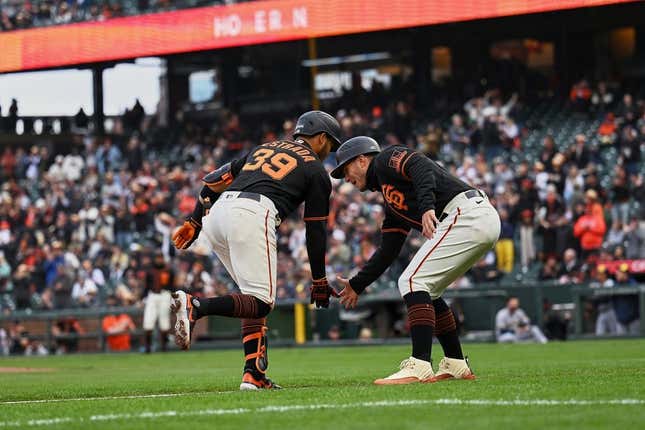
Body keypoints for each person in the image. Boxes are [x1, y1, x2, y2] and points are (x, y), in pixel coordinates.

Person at [171, 111, 341, 390]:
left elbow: (212, 181)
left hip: (218, 214)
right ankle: (196, 306)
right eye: (331, 145)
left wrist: (194, 220)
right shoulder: (316, 170)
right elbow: (315, 230)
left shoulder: (265, 147)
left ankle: (253, 375)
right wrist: (319, 279)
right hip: (252, 212)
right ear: (321, 138)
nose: (329, 152)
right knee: (261, 301)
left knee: (251, 297)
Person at [332, 136, 500, 385]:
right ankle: (455, 362)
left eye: (345, 169)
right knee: (426, 289)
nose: (345, 178)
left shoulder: (384, 160)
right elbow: (388, 250)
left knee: (412, 281)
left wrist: (426, 207)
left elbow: (419, 165)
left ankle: (419, 364)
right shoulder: (392, 202)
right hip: (473, 217)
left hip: (465, 213)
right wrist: (357, 283)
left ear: (361, 160)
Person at [142, 252, 173, 353]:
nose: (159, 260)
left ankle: (164, 347)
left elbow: (173, 285)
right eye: (157, 258)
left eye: (161, 258)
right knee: (148, 322)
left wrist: (174, 298)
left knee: (164, 322)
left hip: (165, 295)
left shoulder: (169, 270)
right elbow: (146, 286)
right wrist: (142, 298)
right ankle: (148, 347)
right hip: (152, 295)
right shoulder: (150, 270)